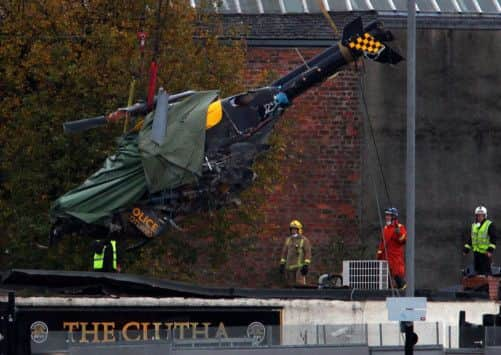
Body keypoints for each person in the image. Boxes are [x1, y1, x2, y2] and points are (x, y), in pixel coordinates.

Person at [376, 207, 407, 290]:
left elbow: (403, 240)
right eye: (386, 215)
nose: (386, 217)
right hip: (386, 258)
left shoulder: (400, 227)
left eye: (389, 215)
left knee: (399, 279)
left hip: (395, 258)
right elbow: (382, 243)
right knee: (386, 282)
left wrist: (398, 233)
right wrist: (379, 255)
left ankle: (405, 294)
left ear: (394, 217)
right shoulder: (385, 228)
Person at [463, 206, 496, 276]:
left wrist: (490, 250)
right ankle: (480, 286)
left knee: (486, 272)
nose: (480, 217)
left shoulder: (489, 225)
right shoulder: (474, 225)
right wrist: (466, 249)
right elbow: (471, 238)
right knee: (477, 272)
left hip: (485, 253)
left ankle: (487, 285)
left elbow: (494, 238)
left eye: (481, 215)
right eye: (478, 215)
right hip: (476, 253)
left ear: (485, 216)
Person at [279, 220, 312, 286]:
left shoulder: (304, 240)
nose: (293, 231)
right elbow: (284, 252)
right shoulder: (288, 240)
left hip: (300, 266)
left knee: (300, 284)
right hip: (289, 266)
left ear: (299, 230)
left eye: (295, 229)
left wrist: (306, 265)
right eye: (292, 229)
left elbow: (307, 252)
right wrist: (282, 264)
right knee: (290, 284)